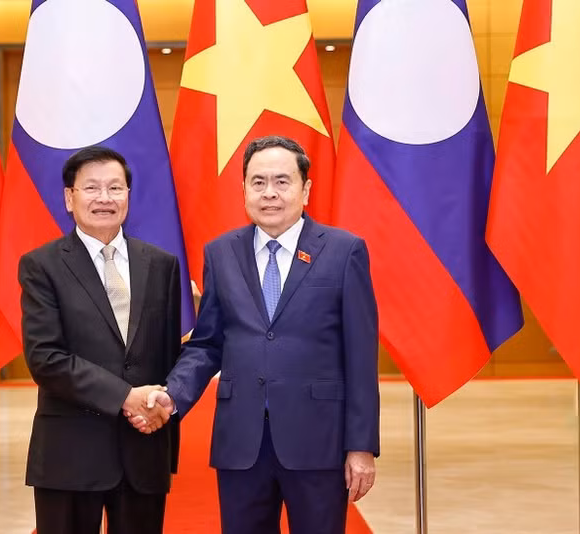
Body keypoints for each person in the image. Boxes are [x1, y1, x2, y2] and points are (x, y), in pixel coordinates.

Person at [135, 135, 380, 534]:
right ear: (244, 189)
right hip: (241, 442)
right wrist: (172, 394)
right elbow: (208, 343)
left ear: (306, 189)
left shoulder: (343, 251)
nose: (270, 193)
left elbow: (360, 356)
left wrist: (362, 445)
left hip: (318, 440)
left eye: (282, 182)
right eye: (258, 182)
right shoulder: (221, 252)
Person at [19, 146, 181, 534]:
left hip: (143, 448)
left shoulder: (161, 265)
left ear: (128, 195)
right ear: (69, 198)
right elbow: (46, 358)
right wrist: (125, 397)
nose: (105, 198)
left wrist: (162, 409)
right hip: (70, 453)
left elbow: (168, 356)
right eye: (91, 188)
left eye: (115, 188)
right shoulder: (42, 265)